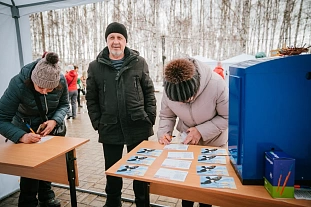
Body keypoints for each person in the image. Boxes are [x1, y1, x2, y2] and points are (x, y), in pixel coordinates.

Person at [86, 22, 156, 207]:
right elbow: (91, 98)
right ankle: (113, 202)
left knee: (140, 171)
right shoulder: (95, 66)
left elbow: (149, 91)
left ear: (125, 41)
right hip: (110, 127)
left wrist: (149, 118)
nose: (116, 42)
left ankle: (142, 203)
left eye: (120, 38)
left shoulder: (139, 62)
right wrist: (97, 123)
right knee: (112, 171)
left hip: (138, 125)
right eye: (112, 37)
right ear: (106, 41)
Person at [0, 52, 69, 207]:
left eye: (50, 89)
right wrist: (21, 136)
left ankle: (46, 195)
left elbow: (64, 105)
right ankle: (28, 201)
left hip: (47, 129)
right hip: (24, 128)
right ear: (33, 80)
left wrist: (54, 120)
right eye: (41, 87)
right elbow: (1, 118)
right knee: (30, 168)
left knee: (47, 163)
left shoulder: (61, 80)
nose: (45, 92)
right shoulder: (17, 84)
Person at [157, 58, 229, 207]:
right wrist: (165, 132)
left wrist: (201, 131)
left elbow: (228, 117)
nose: (182, 103)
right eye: (178, 101)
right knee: (187, 189)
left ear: (195, 86)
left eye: (186, 98)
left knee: (205, 192)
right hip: (187, 146)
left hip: (212, 144)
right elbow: (167, 115)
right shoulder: (169, 89)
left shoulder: (217, 85)